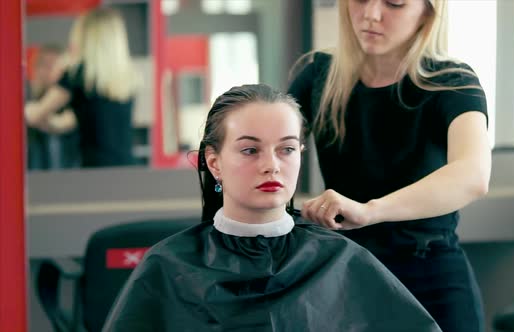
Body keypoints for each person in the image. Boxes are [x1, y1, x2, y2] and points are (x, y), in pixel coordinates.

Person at [102, 84, 442, 332]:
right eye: (251, 150)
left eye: (287, 149)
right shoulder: (168, 266)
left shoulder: (340, 261)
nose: (272, 166)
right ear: (214, 162)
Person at [288, 1, 491, 331]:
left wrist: (371, 210)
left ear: (428, 11)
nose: (370, 14)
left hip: (432, 276)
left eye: (394, 3)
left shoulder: (453, 82)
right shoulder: (317, 74)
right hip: (344, 274)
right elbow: (275, 147)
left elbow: (473, 174)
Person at [25, 7, 139, 168]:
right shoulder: (126, 80)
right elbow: (67, 123)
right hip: (127, 171)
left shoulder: (77, 75)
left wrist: (20, 110)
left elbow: (35, 114)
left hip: (95, 175)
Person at [26, 44, 80, 170]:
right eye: (44, 65)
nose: (49, 70)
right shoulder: (25, 96)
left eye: (54, 65)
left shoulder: (74, 102)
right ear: (35, 68)